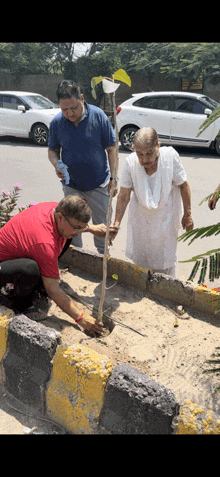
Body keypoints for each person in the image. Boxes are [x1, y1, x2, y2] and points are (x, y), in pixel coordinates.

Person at [0, 195, 108, 335]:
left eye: (82, 227)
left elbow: (72, 228)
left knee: (68, 237)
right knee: (29, 269)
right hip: (4, 267)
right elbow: (53, 290)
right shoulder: (45, 243)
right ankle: (22, 305)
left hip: (21, 254)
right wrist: (81, 318)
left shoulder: (54, 208)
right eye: (77, 227)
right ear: (60, 217)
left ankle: (37, 285)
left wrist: (91, 228)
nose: (79, 231)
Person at [110, 127, 194, 278]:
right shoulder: (131, 163)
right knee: (142, 266)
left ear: (158, 146)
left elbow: (183, 185)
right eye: (139, 154)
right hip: (141, 222)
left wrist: (187, 214)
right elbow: (123, 196)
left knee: (165, 268)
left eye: (149, 153)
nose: (144, 159)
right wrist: (116, 224)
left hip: (166, 222)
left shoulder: (170, 157)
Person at [48, 80, 118, 254]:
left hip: (99, 184)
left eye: (74, 108)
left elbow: (112, 149)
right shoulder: (57, 123)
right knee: (71, 228)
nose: (70, 113)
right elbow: (52, 150)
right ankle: (75, 258)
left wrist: (114, 178)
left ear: (81, 98)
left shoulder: (98, 116)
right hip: (72, 186)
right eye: (65, 109)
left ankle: (104, 258)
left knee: (103, 227)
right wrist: (56, 164)